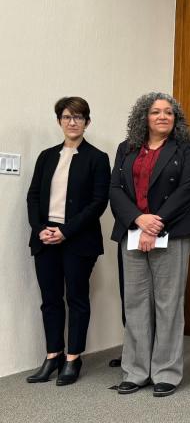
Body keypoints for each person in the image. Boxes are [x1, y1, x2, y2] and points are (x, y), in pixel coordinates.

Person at [109, 92, 190, 397]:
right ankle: (135, 371)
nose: (163, 116)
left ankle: (166, 372)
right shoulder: (127, 148)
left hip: (171, 231)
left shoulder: (186, 148)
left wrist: (155, 222)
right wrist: (138, 219)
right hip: (132, 231)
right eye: (156, 112)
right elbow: (115, 189)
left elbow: (187, 188)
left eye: (169, 112)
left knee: (168, 303)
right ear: (144, 118)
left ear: (176, 119)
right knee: (135, 302)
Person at [25, 97, 110, 385]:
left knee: (76, 299)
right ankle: (53, 356)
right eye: (66, 117)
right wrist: (40, 229)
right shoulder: (46, 156)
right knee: (50, 301)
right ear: (59, 121)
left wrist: (66, 230)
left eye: (78, 117)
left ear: (87, 122)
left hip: (78, 240)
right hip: (45, 239)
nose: (72, 122)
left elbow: (99, 203)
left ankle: (73, 358)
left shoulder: (97, 158)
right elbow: (33, 195)